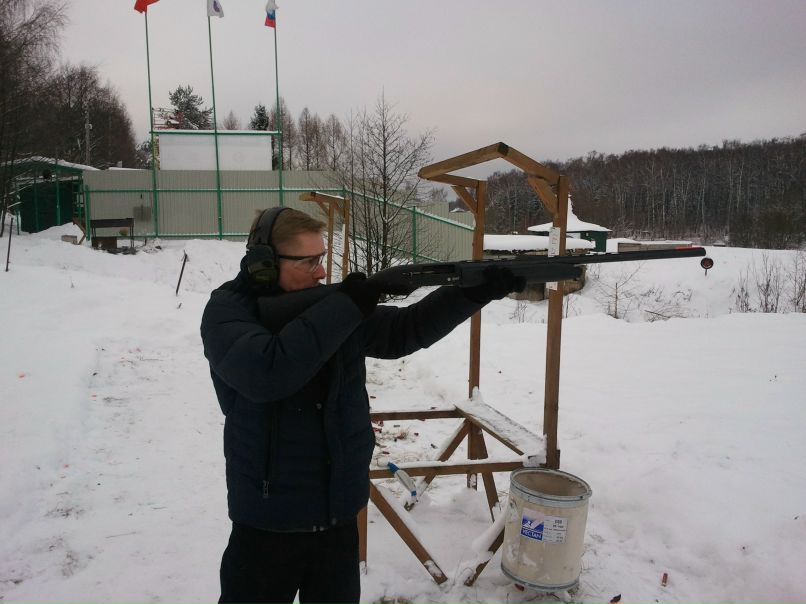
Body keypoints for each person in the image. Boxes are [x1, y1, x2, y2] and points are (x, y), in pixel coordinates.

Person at [200, 207, 524, 603]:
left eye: (322, 259)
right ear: (262, 265)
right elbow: (268, 372)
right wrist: (353, 302)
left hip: (338, 519)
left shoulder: (327, 308)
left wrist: (472, 292)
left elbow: (403, 331)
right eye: (309, 261)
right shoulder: (228, 312)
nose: (321, 272)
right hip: (267, 525)